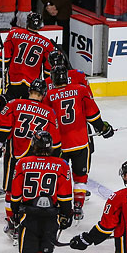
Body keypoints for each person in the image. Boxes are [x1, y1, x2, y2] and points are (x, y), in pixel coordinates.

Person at [9, 130, 72, 253]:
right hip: (52, 216)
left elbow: (15, 193)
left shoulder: (23, 163)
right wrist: (67, 214)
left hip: (29, 214)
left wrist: (14, 211)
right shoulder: (62, 165)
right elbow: (65, 195)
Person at [0, 79, 60, 241]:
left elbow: (2, 131)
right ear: (43, 95)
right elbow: (56, 145)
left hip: (16, 156)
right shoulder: (49, 112)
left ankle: (12, 223)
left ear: (29, 91)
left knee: (11, 190)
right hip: (39, 160)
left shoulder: (14, 104)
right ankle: (32, 222)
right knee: (32, 190)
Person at [44, 65, 112, 220]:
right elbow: (93, 115)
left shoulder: (49, 95)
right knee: (80, 176)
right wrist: (104, 128)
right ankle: (78, 207)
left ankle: (58, 206)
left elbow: (45, 120)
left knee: (59, 175)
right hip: (81, 142)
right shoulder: (80, 90)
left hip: (59, 145)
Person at [0, 12, 53, 101]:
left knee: (8, 108)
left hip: (13, 80)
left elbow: (4, 58)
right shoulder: (47, 44)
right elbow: (47, 71)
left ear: (27, 22)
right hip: (32, 86)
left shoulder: (14, 33)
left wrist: (0, 72)